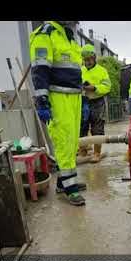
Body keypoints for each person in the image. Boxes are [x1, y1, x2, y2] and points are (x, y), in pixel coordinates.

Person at [29, 21, 87, 206]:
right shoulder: (45, 34)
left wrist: (83, 99)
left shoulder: (68, 37)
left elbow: (77, 73)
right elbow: (40, 69)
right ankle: (70, 189)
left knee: (72, 142)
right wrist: (42, 101)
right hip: (58, 97)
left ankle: (64, 182)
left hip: (74, 97)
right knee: (64, 142)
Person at [78, 44, 111, 162]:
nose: (87, 62)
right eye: (85, 60)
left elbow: (107, 87)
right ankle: (83, 151)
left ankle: (97, 152)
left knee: (97, 128)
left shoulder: (102, 71)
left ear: (94, 57)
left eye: (89, 59)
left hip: (97, 102)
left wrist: (95, 88)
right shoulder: (80, 71)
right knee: (81, 127)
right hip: (83, 101)